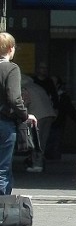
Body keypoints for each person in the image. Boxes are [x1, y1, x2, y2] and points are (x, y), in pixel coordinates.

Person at [0, 33, 37, 195]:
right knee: (3, 169)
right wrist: (25, 115)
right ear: (10, 48)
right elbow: (14, 98)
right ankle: (2, 210)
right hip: (4, 124)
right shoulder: (11, 69)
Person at [20, 75, 56, 172]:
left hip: (37, 115)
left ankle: (37, 164)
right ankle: (38, 162)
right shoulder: (38, 87)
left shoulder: (24, 89)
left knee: (35, 141)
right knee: (42, 141)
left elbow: (24, 103)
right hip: (49, 114)